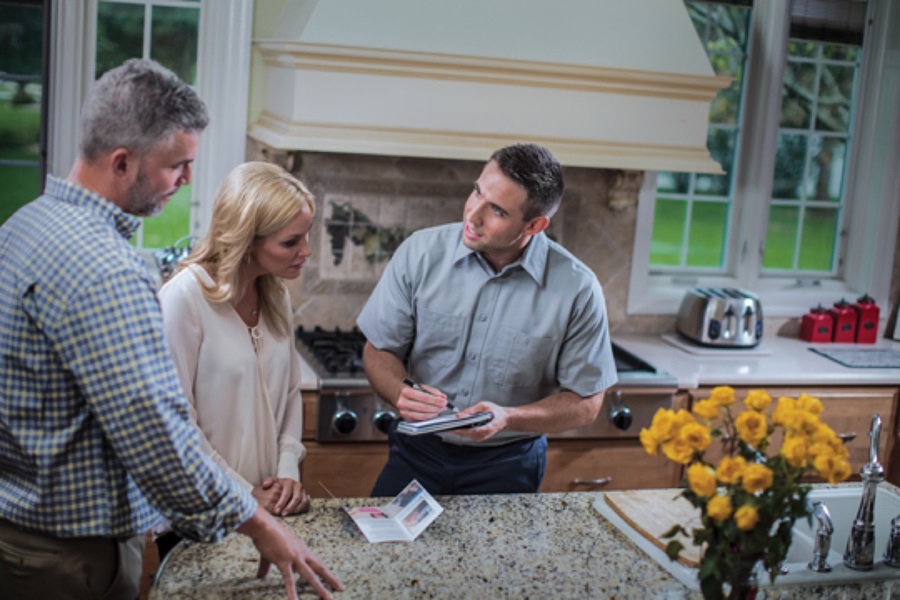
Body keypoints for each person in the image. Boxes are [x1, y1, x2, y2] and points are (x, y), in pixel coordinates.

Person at [0, 59, 343, 600]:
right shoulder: (109, 270)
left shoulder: (24, 225)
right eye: (175, 166)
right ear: (121, 162)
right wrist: (256, 521)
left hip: (21, 525)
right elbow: (158, 436)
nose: (185, 182)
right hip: (69, 555)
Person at [358, 143, 618, 497]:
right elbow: (378, 351)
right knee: (383, 552)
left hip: (509, 466)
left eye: (496, 210)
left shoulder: (577, 289)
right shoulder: (419, 253)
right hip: (415, 454)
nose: (472, 215)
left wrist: (509, 417)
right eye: (476, 191)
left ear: (535, 225)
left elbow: (586, 403)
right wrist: (399, 392)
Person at [154, 161, 314, 559]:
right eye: (291, 242)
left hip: (268, 508)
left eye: (305, 237)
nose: (305, 251)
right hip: (204, 516)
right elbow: (174, 424)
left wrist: (287, 473)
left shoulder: (275, 294)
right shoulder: (183, 299)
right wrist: (243, 494)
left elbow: (291, 394)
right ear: (247, 241)